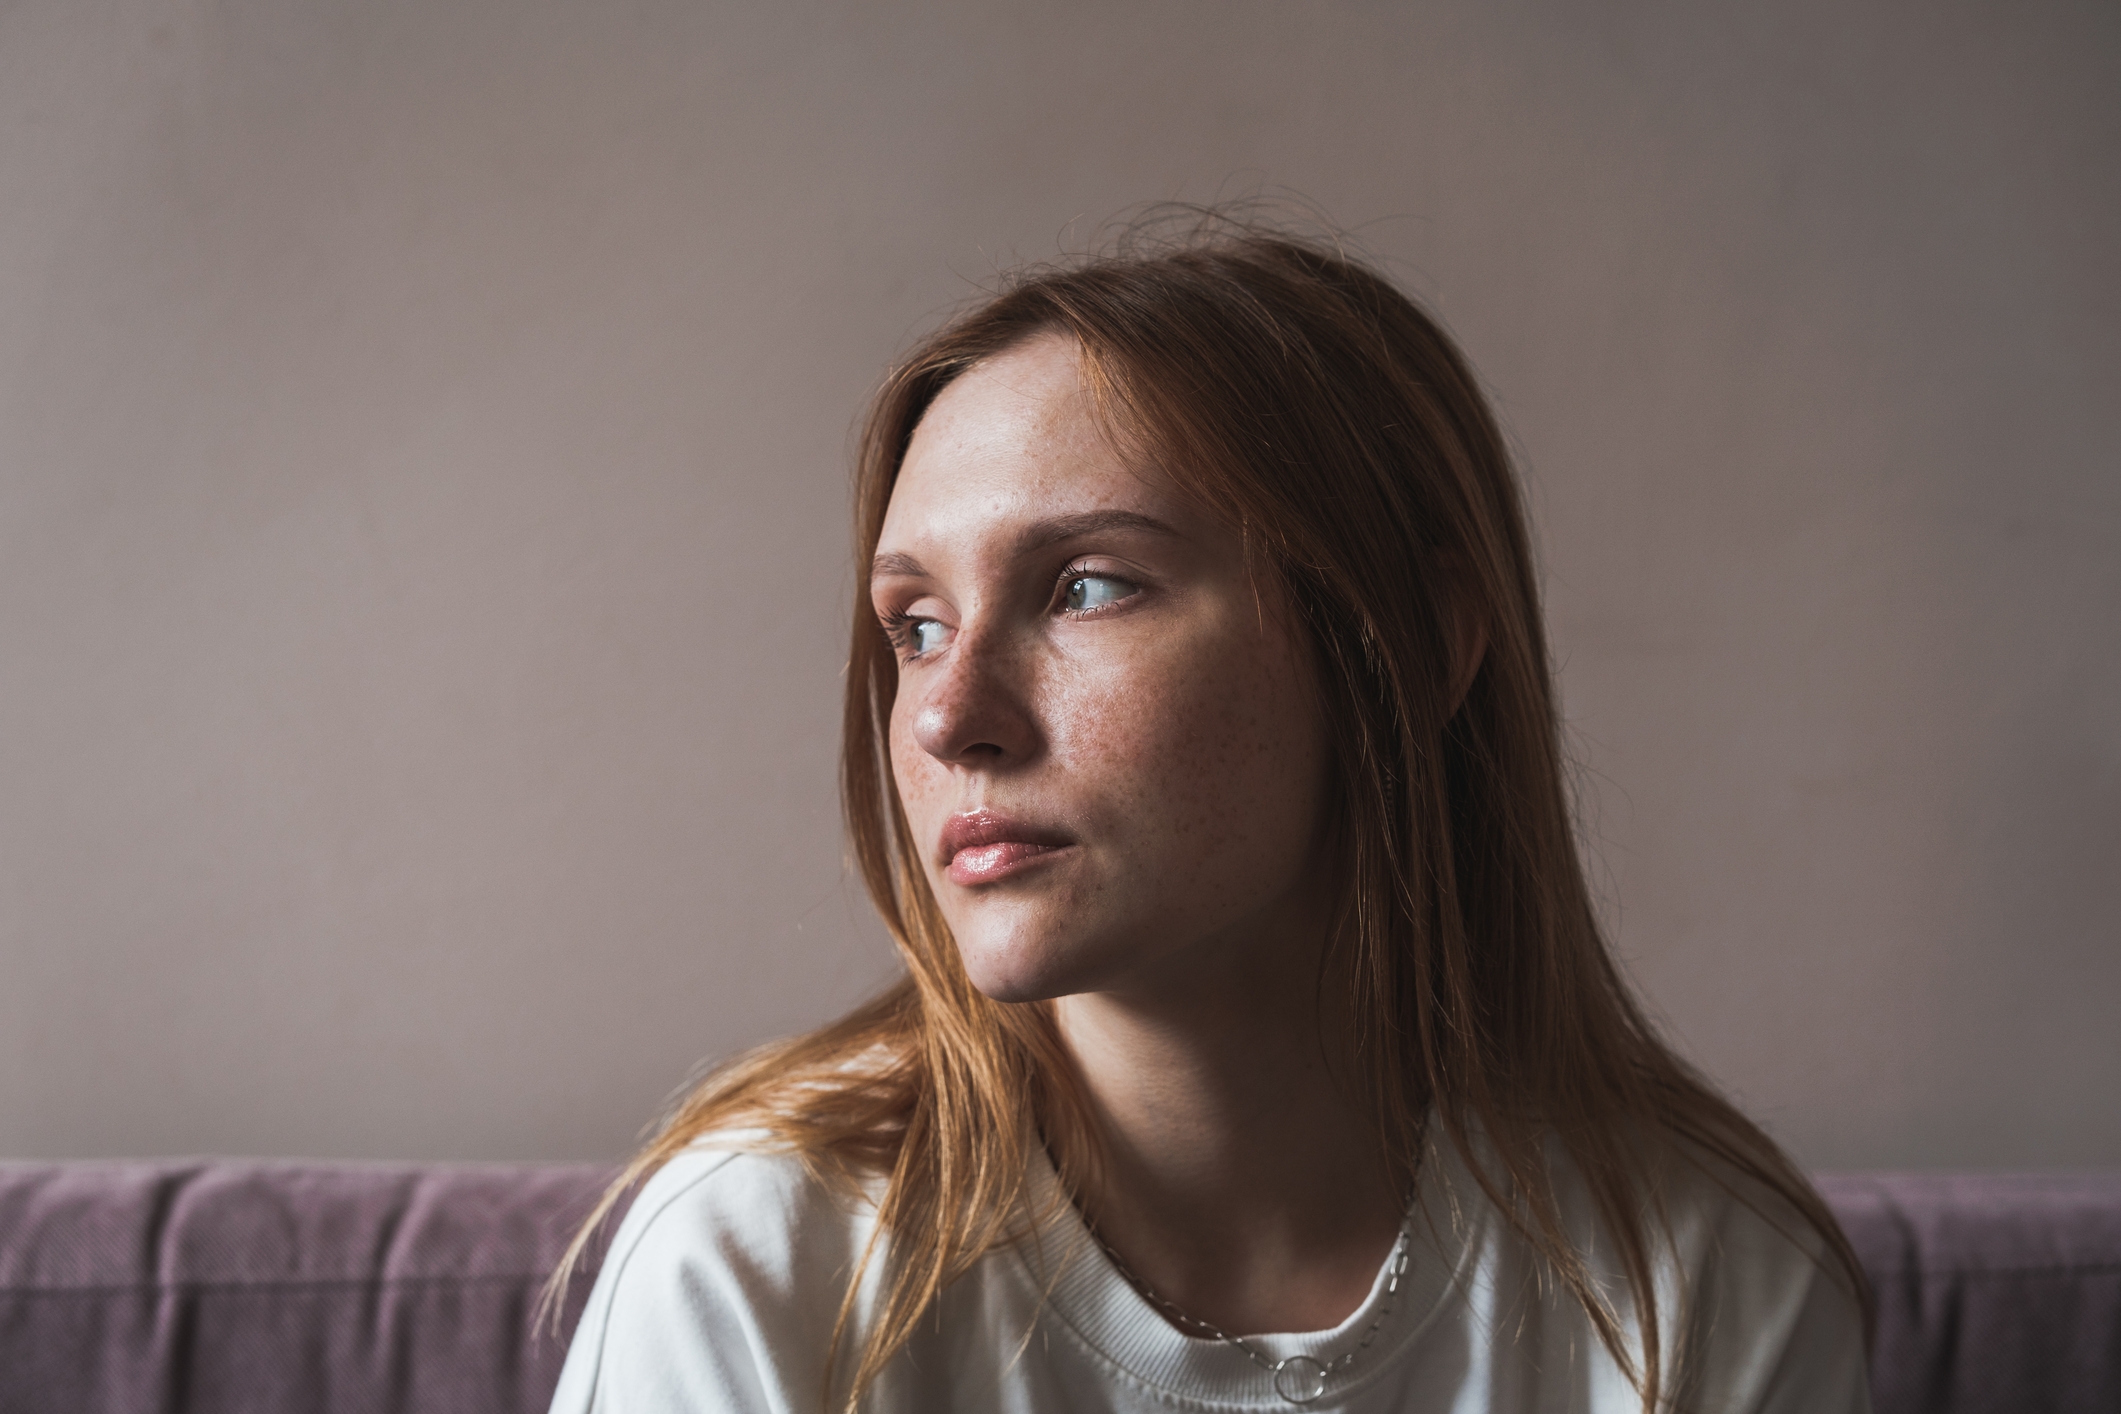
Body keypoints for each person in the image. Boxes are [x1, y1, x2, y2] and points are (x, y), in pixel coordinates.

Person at [545, 218, 1872, 1413]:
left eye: (1085, 587)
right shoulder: (762, 1265)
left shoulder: (1697, 1287)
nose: (949, 717)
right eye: (918, 623)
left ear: (1407, 642)